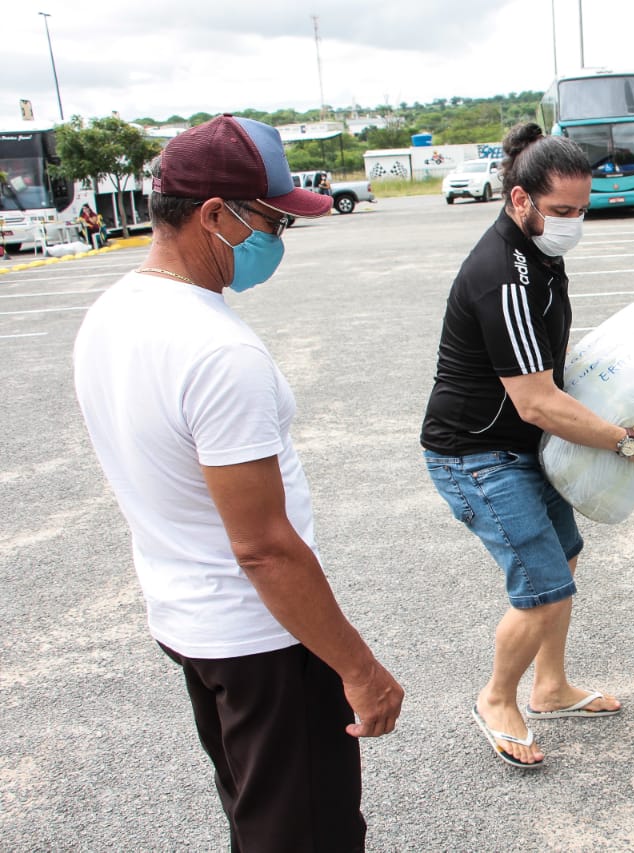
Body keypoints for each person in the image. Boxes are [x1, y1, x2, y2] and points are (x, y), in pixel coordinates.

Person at [73, 114, 404, 850]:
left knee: (258, 816)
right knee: (306, 833)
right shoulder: (217, 349)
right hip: (264, 639)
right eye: (273, 223)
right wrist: (358, 666)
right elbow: (263, 547)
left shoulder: (110, 313)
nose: (276, 242)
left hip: (188, 621)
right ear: (214, 214)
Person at [420, 123, 634, 769]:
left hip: (522, 445)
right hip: (475, 455)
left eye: (580, 211)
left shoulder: (539, 254)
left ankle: (551, 686)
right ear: (519, 201)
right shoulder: (501, 276)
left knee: (561, 561)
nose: (573, 223)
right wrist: (625, 443)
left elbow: (552, 359)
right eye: (561, 211)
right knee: (542, 586)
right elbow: (535, 399)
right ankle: (496, 698)